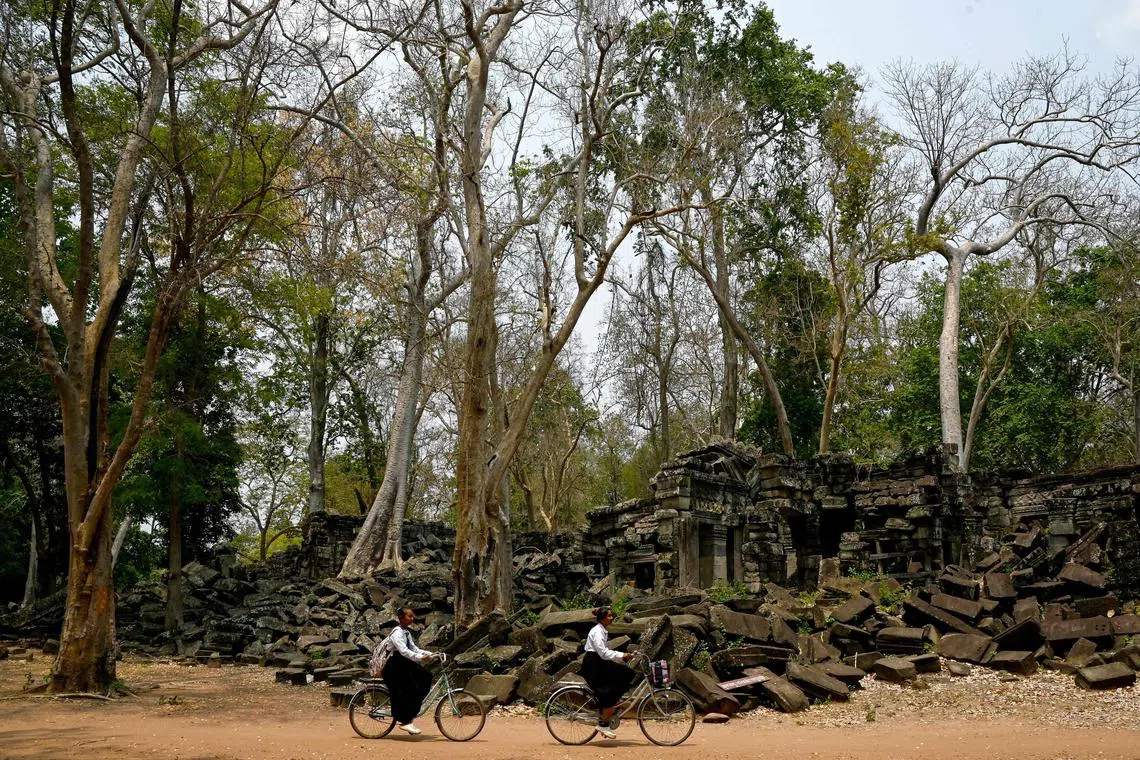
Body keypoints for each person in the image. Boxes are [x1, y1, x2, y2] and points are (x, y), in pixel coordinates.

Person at [579, 606, 635, 739]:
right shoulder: (597, 631)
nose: (611, 618)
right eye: (609, 616)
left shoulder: (602, 630)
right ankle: (604, 721)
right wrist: (622, 655)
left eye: (611, 615)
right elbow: (603, 653)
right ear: (602, 618)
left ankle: (610, 709)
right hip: (594, 665)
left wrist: (623, 657)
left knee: (626, 673)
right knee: (609, 689)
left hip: (599, 662)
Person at [381, 607, 439, 735]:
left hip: (402, 664)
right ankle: (405, 721)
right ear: (401, 618)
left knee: (425, 677)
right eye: (409, 616)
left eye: (412, 616)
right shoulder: (397, 633)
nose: (412, 619)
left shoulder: (406, 632)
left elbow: (414, 649)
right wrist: (421, 658)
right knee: (406, 690)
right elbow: (404, 651)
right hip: (393, 666)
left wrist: (432, 654)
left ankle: (410, 714)